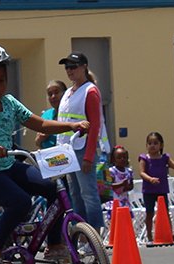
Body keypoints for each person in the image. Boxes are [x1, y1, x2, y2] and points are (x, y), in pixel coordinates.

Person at [0, 44, 88, 264]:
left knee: (54, 188)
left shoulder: (9, 103)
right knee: (21, 202)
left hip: (7, 164)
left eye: (2, 80)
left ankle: (54, 244)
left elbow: (39, 123)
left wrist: (71, 125)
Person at [56, 52, 110, 233]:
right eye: (67, 67)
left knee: (88, 193)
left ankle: (94, 234)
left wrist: (88, 156)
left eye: (74, 66)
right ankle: (80, 233)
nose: (70, 70)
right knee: (75, 194)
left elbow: (95, 125)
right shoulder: (68, 93)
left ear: (84, 66)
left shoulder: (90, 90)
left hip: (82, 148)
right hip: (67, 150)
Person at [139, 132, 174, 241]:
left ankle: (169, 232)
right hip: (149, 190)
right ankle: (149, 235)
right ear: (146, 145)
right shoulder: (144, 158)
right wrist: (150, 179)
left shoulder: (164, 158)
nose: (152, 145)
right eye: (150, 143)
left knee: (165, 212)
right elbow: (142, 172)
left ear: (161, 145)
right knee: (149, 212)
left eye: (155, 143)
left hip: (161, 189)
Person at [34, 80, 68, 149]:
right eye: (50, 94)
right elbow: (37, 143)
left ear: (65, 93)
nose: (53, 96)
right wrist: (41, 138)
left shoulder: (71, 113)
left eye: (56, 92)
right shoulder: (46, 115)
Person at [106, 146, 134, 210]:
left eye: (124, 157)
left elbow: (131, 186)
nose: (122, 159)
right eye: (119, 158)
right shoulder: (110, 171)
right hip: (114, 204)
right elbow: (109, 186)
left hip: (125, 202)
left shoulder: (129, 171)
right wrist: (121, 184)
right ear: (114, 159)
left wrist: (126, 187)